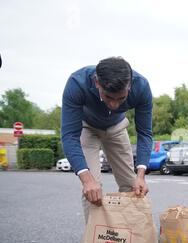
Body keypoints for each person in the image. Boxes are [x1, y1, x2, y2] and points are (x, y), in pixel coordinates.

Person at [61, 57, 153, 223]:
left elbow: (145, 133)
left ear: (130, 85)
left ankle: (129, 238)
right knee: (93, 189)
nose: (114, 105)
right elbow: (69, 136)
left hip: (117, 127)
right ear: (97, 82)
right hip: (87, 128)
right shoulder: (77, 83)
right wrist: (87, 180)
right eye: (108, 97)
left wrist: (141, 175)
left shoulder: (142, 87)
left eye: (121, 98)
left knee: (132, 184)